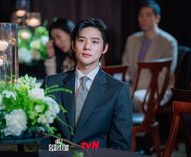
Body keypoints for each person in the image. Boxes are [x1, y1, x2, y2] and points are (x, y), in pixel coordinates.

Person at [44, 18, 132, 151]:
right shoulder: (52, 83)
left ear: (105, 48)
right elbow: (42, 136)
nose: (87, 47)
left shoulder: (118, 90)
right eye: (81, 40)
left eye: (95, 42)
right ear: (73, 45)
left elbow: (121, 147)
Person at [122, 1, 178, 111]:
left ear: (157, 18)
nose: (143, 19)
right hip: (133, 87)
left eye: (148, 15)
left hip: (156, 88)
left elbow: (164, 75)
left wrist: (135, 88)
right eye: (141, 15)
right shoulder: (132, 39)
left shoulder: (168, 42)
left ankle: (143, 128)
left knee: (137, 98)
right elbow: (126, 68)